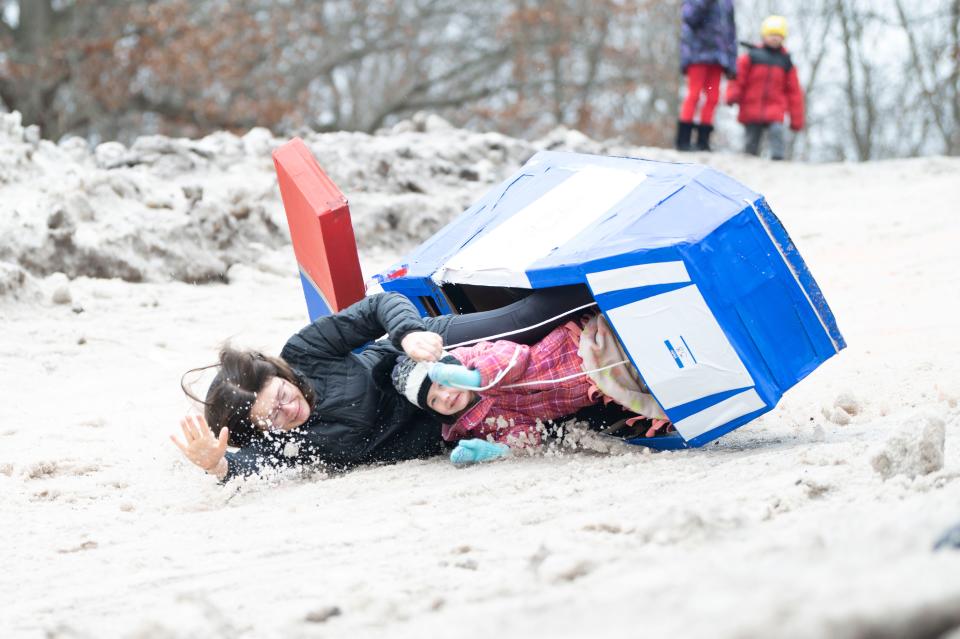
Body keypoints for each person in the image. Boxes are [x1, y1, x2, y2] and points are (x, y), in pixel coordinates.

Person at [171, 286, 595, 481]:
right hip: (452, 424)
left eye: (281, 396)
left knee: (527, 321)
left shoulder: (304, 352)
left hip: (430, 358)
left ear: (281, 375)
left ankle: (607, 286)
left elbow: (378, 307)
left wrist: (407, 333)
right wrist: (219, 464)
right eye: (273, 418)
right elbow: (258, 467)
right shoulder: (290, 444)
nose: (287, 410)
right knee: (573, 416)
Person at [391, 312, 671, 466]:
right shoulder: (476, 424)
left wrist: (472, 377)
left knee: (627, 336)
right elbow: (527, 433)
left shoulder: (472, 359)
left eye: (442, 384)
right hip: (591, 387)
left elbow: (513, 356)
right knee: (641, 383)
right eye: (434, 400)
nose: (446, 395)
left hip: (573, 348)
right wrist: (496, 450)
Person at [725, 15, 805, 160]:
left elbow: (794, 92)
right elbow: (738, 78)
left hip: (775, 108)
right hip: (752, 107)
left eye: (778, 35)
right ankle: (749, 159)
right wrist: (732, 95)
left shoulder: (786, 62)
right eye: (771, 35)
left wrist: (796, 119)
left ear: (783, 38)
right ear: (764, 36)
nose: (775, 38)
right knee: (751, 140)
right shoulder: (751, 56)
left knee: (777, 132)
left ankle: (777, 159)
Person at [677, 0, 738, 152]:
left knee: (713, 97)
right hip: (697, 54)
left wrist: (732, 62)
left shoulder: (727, 3)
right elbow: (689, 18)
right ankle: (683, 140)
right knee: (694, 94)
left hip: (718, 57)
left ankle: (703, 142)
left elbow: (731, 32)